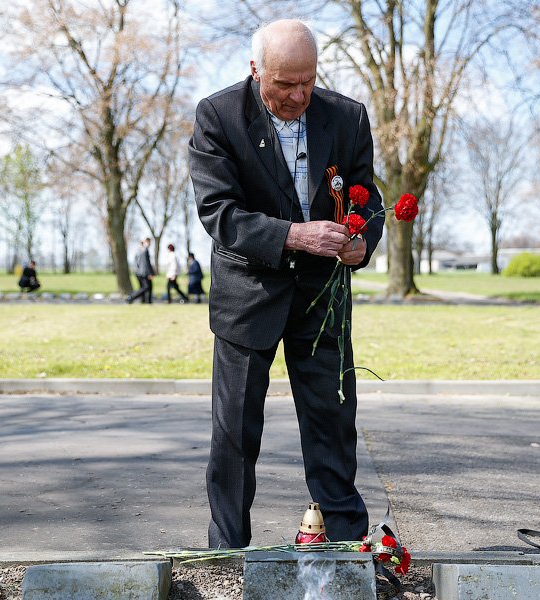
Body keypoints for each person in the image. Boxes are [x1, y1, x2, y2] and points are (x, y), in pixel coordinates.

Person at [188, 19, 384, 549]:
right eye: (284, 83)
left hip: (322, 299)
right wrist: (295, 235)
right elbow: (219, 213)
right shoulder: (217, 117)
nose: (299, 95)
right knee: (233, 434)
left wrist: (362, 242)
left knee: (332, 423)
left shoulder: (347, 117)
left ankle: (347, 548)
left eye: (308, 81)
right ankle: (227, 552)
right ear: (256, 72)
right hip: (247, 297)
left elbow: (369, 198)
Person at [127, 238, 155, 304]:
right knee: (146, 287)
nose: (150, 244)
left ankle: (145, 300)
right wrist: (150, 273)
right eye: (149, 242)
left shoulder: (139, 250)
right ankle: (132, 297)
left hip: (139, 272)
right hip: (144, 272)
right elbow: (146, 263)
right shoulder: (144, 251)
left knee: (145, 287)